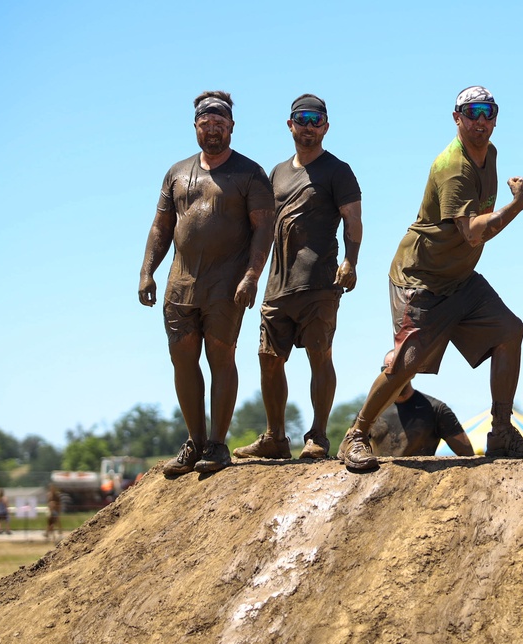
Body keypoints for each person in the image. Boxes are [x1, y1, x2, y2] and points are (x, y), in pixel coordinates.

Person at [337, 86, 523, 472]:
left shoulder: (490, 154)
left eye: (488, 112)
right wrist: (517, 205)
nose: (481, 121)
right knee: (407, 362)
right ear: (457, 118)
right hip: (422, 279)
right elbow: (472, 232)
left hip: (461, 278)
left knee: (509, 332)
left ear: (496, 117)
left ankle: (501, 432)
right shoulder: (453, 166)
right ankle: (356, 435)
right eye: (472, 113)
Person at [139, 91, 275, 476]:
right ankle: (195, 442)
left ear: (231, 127)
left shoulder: (249, 173)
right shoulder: (177, 172)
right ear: (196, 127)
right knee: (182, 359)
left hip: (226, 283)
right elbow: (160, 226)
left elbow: (264, 228)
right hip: (181, 283)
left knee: (221, 356)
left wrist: (252, 275)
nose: (213, 130)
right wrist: (147, 271)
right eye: (206, 124)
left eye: (220, 124)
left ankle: (217, 444)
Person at [232, 94, 363, 462]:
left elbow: (353, 219)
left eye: (316, 119)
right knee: (268, 359)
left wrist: (351, 261)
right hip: (277, 285)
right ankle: (275, 437)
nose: (308, 126)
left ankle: (318, 436)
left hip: (319, 282)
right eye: (302, 119)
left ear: (326, 126)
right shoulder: (275, 173)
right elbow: (260, 227)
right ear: (290, 125)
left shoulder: (338, 170)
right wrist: (251, 275)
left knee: (320, 355)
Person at [367, 349, 474, 457]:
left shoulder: (436, 410)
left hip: (422, 473)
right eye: (386, 369)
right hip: (382, 474)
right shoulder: (371, 411)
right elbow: (353, 448)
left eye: (398, 368)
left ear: (411, 372)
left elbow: (467, 455)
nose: (393, 374)